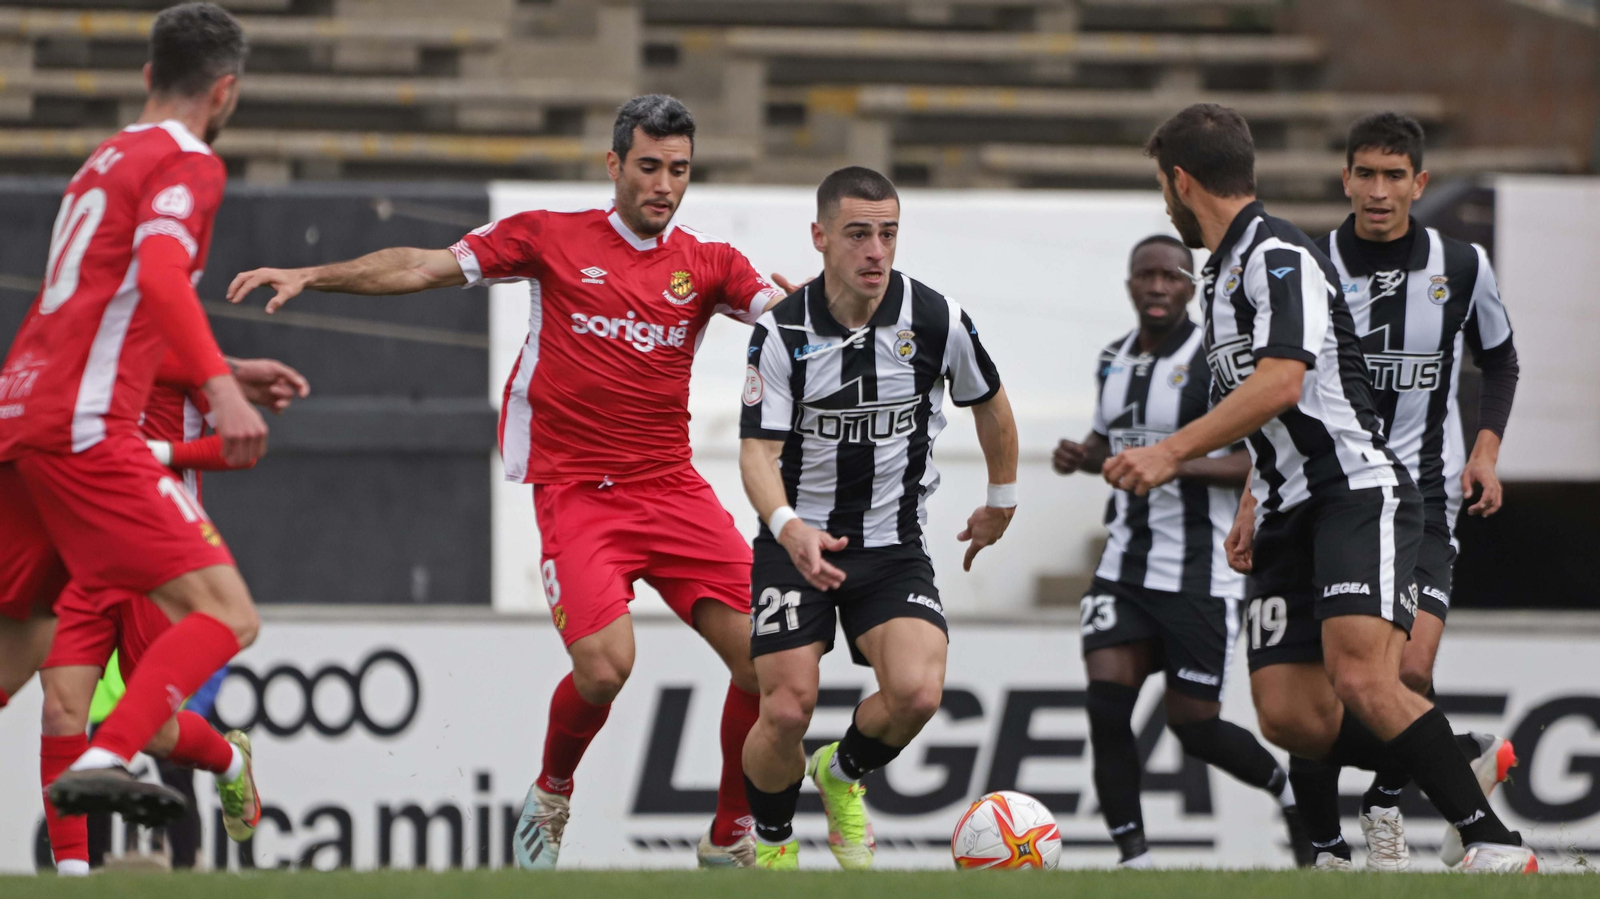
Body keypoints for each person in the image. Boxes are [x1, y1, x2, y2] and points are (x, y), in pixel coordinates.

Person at [226, 94, 786, 869]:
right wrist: (313, 273)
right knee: (604, 666)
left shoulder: (710, 262)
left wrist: (814, 314)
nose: (664, 184)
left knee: (767, 659)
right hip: (577, 489)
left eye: (679, 170)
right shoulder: (550, 238)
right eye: (650, 166)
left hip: (671, 485)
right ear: (615, 165)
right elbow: (421, 264)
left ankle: (729, 835)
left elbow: (780, 312)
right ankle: (552, 791)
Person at [1103, 103, 1534, 873]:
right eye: (1362, 173)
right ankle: (1454, 753)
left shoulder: (1276, 254)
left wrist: (1170, 451)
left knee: (1372, 676)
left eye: (1162, 187)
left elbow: (1282, 382)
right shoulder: (1227, 269)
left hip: (1353, 491)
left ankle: (1487, 840)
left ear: (1180, 180)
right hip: (1286, 504)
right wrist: (1252, 498)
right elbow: (1277, 411)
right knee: (1289, 714)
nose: (1375, 189)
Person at [0, 3, 271, 825]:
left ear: (149, 74)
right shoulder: (190, 162)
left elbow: (108, 306)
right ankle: (110, 754)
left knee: (19, 645)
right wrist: (221, 392)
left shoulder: (101, 160)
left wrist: (216, 364)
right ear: (223, 92)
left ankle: (109, 759)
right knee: (229, 614)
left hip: (18, 415)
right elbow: (158, 278)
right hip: (86, 429)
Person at [738, 166, 1018, 870]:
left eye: (887, 233)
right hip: (796, 541)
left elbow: (990, 401)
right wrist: (786, 526)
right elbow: (756, 452)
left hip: (891, 544)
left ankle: (842, 771)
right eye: (858, 233)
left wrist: (1002, 499)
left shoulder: (936, 317)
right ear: (820, 237)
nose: (875, 251)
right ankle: (771, 840)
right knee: (786, 708)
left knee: (920, 692)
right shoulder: (782, 332)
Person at [1298, 112, 1520, 870]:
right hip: (1334, 491)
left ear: (1420, 184)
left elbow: (1502, 362)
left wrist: (1485, 452)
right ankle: (1332, 844)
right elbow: (1282, 384)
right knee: (1331, 686)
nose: (1380, 190)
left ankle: (1387, 798)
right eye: (1366, 173)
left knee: (1412, 671)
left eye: (1396, 176)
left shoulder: (1462, 265)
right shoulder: (1311, 263)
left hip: (1425, 497)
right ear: (1346, 178)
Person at [1053, 234, 1310, 868]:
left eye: (1173, 275)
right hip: (1123, 568)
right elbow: (1111, 444)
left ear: (1192, 287)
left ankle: (1286, 790)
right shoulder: (1112, 357)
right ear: (1130, 284)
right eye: (1147, 275)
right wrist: (1081, 457)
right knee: (1105, 707)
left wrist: (1177, 465)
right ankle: (1132, 859)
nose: (1160, 286)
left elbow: (1255, 459)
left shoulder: (1217, 362)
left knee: (1194, 726)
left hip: (1201, 574)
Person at [38, 365, 294, 874]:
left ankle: (229, 761)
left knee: (155, 735)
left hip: (159, 561)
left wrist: (158, 455)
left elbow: (240, 445)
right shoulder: (76, 345)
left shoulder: (174, 349)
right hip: (82, 555)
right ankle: (71, 879)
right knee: (60, 715)